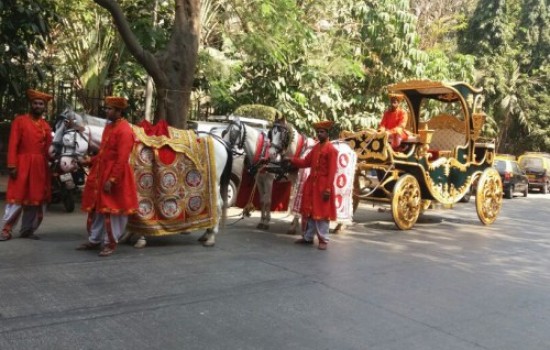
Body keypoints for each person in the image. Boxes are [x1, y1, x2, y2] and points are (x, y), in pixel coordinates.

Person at [76, 96, 138, 257]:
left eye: (110, 109)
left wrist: (112, 179)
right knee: (98, 209)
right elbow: (104, 154)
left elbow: (122, 159)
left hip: (116, 175)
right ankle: (95, 240)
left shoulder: (125, 130)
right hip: (101, 172)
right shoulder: (109, 127)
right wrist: (90, 160)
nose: (107, 111)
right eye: (107, 108)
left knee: (113, 211)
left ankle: (110, 242)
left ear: (119, 111)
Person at [0, 89, 53, 241]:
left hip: (40, 167)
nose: (37, 106)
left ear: (44, 107)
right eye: (35, 103)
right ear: (31, 105)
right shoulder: (20, 121)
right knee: (17, 198)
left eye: (40, 104)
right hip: (22, 164)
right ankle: (6, 230)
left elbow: (49, 150)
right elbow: (13, 144)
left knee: (35, 199)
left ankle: (27, 230)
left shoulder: (46, 126)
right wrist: (12, 165)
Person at [288, 120, 338, 250]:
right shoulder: (316, 148)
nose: (319, 134)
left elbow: (332, 172)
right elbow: (305, 162)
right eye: (318, 132)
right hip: (311, 185)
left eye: (322, 132)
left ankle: (323, 240)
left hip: (323, 186)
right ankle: (308, 237)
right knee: (309, 212)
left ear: (327, 133)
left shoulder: (331, 150)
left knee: (322, 214)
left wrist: (327, 188)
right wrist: (291, 159)